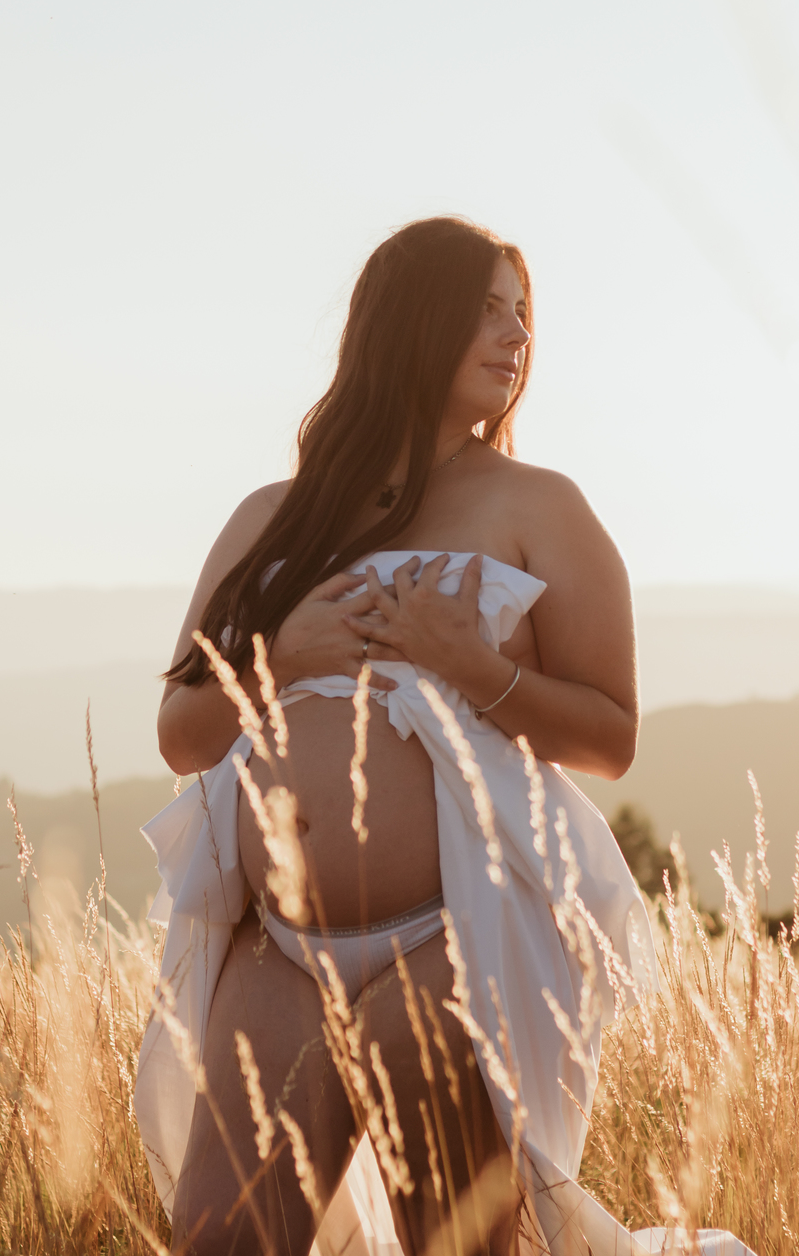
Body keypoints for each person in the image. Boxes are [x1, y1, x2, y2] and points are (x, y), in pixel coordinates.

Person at [136, 217, 750, 1256]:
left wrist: (475, 666)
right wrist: (279, 659)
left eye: (524, 312)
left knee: (455, 1242)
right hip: (278, 945)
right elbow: (182, 734)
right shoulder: (273, 518)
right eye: (487, 308)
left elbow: (611, 735)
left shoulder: (539, 508)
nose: (518, 335)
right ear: (410, 322)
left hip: (447, 933)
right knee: (219, 1240)